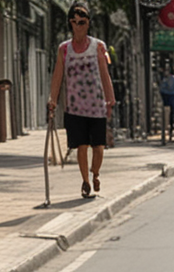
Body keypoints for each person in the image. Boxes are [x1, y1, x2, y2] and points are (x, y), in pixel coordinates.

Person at [48, 5, 115, 198]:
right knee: (82, 146)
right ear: (71, 23)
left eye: (83, 23)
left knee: (99, 148)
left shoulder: (98, 46)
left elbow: (104, 75)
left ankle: (96, 173)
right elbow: (57, 76)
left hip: (96, 107)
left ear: (88, 24)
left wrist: (110, 99)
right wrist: (52, 99)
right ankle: (85, 181)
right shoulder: (64, 49)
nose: (79, 27)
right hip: (75, 107)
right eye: (76, 22)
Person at [159, 69, 174, 140]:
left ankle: (172, 131)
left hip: (169, 98)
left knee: (171, 116)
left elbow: (162, 89)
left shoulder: (166, 80)